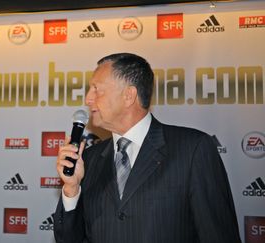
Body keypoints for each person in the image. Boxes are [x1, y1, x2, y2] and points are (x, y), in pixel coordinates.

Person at [54, 53, 241, 243]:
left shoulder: (193, 149)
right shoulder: (89, 160)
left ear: (129, 95)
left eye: (96, 89)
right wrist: (71, 189)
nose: (88, 99)